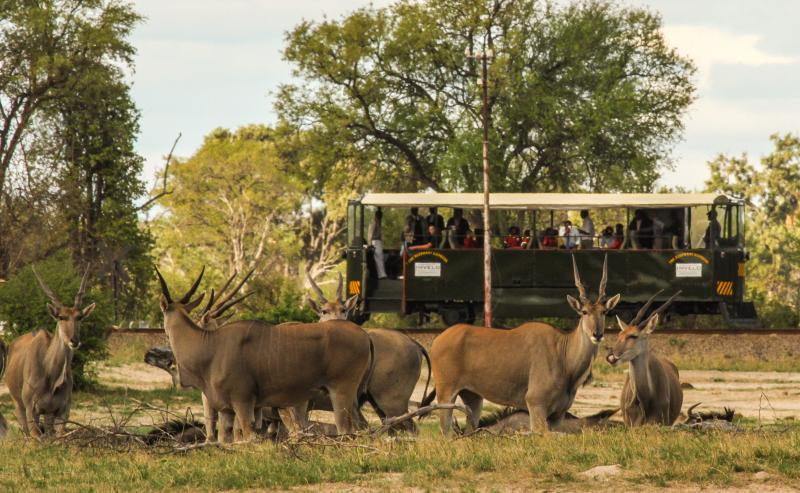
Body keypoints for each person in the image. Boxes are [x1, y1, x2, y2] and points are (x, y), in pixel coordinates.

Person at [368, 208, 387, 279]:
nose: (380, 217)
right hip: (375, 241)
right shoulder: (374, 222)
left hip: (378, 241)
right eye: (379, 215)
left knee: (380, 257)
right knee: (378, 257)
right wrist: (370, 244)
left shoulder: (378, 222)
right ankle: (381, 275)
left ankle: (381, 274)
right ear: (376, 215)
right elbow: (370, 233)